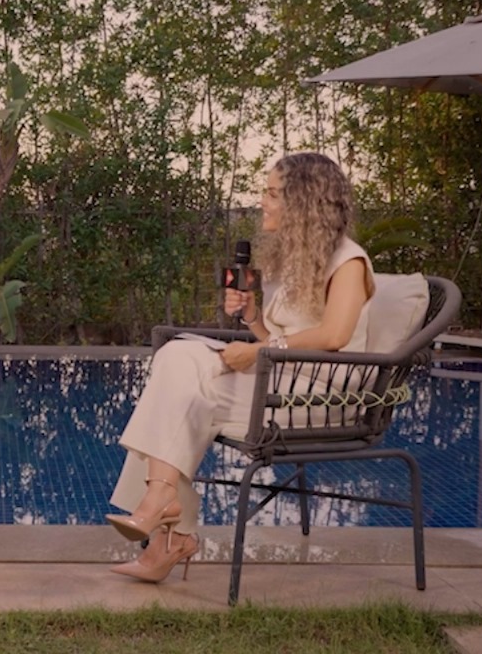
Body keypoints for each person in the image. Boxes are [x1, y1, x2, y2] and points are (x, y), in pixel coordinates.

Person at [105, 151, 376, 583]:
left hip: (320, 396)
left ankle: (170, 529)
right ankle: (162, 506)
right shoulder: (296, 260)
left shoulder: (348, 260)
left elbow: (334, 336)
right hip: (280, 378)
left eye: (272, 193)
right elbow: (279, 338)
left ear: (303, 201)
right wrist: (252, 319)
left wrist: (258, 351)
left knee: (175, 396)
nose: (262, 202)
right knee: (176, 357)